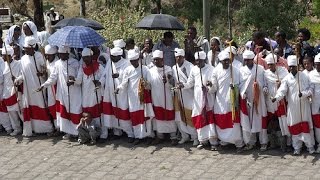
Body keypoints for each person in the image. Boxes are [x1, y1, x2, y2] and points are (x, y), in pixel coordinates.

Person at [271, 55, 315, 155]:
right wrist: (276, 97)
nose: (291, 68)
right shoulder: (287, 78)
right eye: (290, 67)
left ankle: (310, 146)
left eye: (293, 66)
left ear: (297, 66)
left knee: (306, 126)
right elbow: (282, 91)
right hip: (293, 107)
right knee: (295, 127)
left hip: (304, 106)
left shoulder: (304, 76)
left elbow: (311, 89)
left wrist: (303, 94)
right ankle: (297, 147)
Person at [38, 46, 82, 139]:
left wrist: (74, 81)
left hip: (74, 92)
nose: (60, 55)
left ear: (67, 53)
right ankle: (68, 132)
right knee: (65, 112)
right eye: (59, 54)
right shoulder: (57, 64)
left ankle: (78, 132)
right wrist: (44, 85)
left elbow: (80, 78)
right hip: (62, 92)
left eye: (62, 54)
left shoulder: (75, 63)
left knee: (75, 111)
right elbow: (53, 77)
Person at [177, 51, 218, 150]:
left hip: (208, 99)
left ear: (204, 60)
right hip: (198, 99)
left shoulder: (211, 69)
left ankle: (213, 142)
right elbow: (190, 83)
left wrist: (209, 86)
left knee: (209, 119)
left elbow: (215, 87)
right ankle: (202, 140)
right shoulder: (194, 69)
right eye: (196, 61)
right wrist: (183, 85)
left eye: (200, 61)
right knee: (199, 118)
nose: (198, 63)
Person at [14, 36, 53, 137]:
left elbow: (46, 71)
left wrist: (42, 73)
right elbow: (23, 74)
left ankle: (47, 128)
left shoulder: (39, 56)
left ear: (32, 47)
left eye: (26, 48)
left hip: (39, 87)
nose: (25, 49)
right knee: (30, 108)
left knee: (41, 106)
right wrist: (18, 79)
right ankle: (34, 129)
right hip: (28, 89)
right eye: (25, 48)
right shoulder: (23, 59)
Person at [115, 49, 154, 144]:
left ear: (138, 60)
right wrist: (118, 88)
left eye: (134, 61)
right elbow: (124, 83)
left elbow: (150, 83)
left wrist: (146, 84)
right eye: (131, 61)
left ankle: (147, 135)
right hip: (132, 97)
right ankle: (137, 136)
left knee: (145, 115)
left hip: (143, 96)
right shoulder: (128, 70)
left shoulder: (144, 69)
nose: (133, 63)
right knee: (135, 116)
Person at [212, 50, 244, 152]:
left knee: (234, 122)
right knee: (222, 121)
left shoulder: (236, 70)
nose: (226, 62)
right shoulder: (216, 71)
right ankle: (223, 142)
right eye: (224, 61)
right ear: (220, 61)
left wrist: (234, 87)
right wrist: (210, 86)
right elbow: (214, 88)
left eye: (228, 60)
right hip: (220, 100)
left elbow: (240, 84)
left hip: (232, 100)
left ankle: (238, 144)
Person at [101, 47, 133, 142]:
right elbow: (104, 75)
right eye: (111, 56)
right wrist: (100, 82)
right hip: (110, 92)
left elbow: (127, 78)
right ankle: (117, 132)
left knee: (123, 112)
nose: (112, 58)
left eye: (114, 57)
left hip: (121, 93)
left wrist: (118, 76)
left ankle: (130, 133)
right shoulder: (110, 62)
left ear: (119, 56)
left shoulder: (126, 64)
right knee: (112, 112)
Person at [147, 50, 177, 145]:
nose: (156, 62)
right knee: (158, 116)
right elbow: (149, 86)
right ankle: (160, 136)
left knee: (169, 115)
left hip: (167, 97)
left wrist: (167, 79)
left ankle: (173, 136)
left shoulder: (168, 69)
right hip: (156, 97)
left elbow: (172, 81)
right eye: (154, 60)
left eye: (158, 60)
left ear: (162, 60)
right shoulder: (150, 71)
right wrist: (145, 84)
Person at [240, 50, 268, 151]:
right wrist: (244, 95)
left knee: (260, 119)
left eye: (248, 60)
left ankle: (263, 142)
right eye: (245, 60)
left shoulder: (260, 69)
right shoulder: (242, 70)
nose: (246, 62)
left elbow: (265, 82)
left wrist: (263, 87)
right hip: (248, 99)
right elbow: (241, 85)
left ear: (253, 60)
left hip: (259, 98)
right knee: (250, 121)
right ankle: (251, 142)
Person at [72, 48, 104, 134]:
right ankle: (91, 133)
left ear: (91, 57)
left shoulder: (99, 66)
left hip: (95, 93)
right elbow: (79, 81)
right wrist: (73, 80)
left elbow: (104, 77)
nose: (85, 59)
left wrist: (99, 82)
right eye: (84, 57)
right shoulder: (82, 68)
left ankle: (102, 134)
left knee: (98, 114)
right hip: (85, 95)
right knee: (87, 115)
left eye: (87, 57)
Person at [263, 53, 290, 151]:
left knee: (282, 122)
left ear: (276, 63)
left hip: (281, 101)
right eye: (268, 65)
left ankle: (286, 144)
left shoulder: (283, 71)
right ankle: (273, 143)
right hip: (270, 101)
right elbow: (265, 84)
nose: (270, 66)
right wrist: (265, 88)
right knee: (272, 122)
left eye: (272, 64)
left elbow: (288, 84)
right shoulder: (265, 73)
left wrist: (281, 83)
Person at [172, 48, 198, 145]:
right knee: (180, 116)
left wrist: (184, 85)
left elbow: (192, 82)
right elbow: (174, 82)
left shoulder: (190, 66)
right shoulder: (174, 68)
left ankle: (195, 137)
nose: (178, 59)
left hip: (189, 94)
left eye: (180, 57)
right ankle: (184, 136)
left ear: (183, 57)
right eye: (176, 57)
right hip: (179, 95)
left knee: (190, 115)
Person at [1, 46, 21, 136]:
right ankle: (16, 128)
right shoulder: (3, 65)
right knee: (11, 112)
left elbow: (22, 76)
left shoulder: (18, 64)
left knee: (20, 111)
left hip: (15, 91)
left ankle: (27, 127)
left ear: (9, 56)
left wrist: (16, 79)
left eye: (4, 56)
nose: (2, 57)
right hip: (6, 92)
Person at [44, 44, 59, 133]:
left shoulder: (56, 63)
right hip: (49, 88)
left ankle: (59, 128)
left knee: (57, 107)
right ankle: (56, 126)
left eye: (49, 55)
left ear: (54, 55)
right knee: (51, 108)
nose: (47, 57)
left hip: (56, 87)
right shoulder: (47, 61)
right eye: (46, 55)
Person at [308, 53, 320, 153]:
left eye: (319, 64)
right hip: (315, 105)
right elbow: (310, 89)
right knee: (317, 126)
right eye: (316, 64)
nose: (317, 66)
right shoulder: (311, 74)